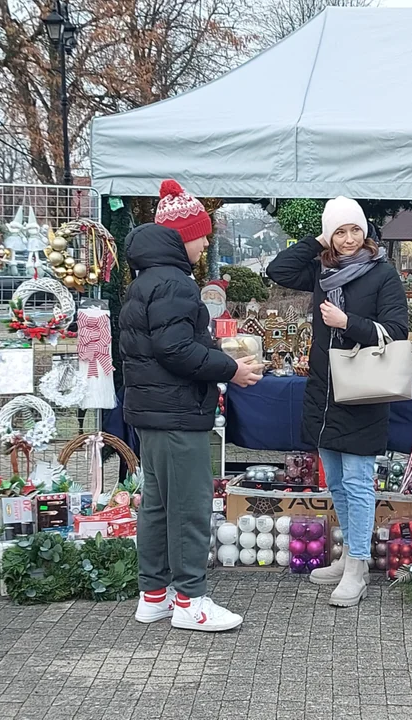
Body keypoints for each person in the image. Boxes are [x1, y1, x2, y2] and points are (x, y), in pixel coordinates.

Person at [120, 179, 263, 632]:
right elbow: (176, 351)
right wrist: (229, 368)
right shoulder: (176, 285)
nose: (206, 243)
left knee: (159, 506)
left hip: (153, 412)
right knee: (189, 509)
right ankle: (190, 601)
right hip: (177, 412)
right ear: (184, 236)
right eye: (203, 234)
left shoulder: (146, 280)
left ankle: (155, 595)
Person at [267, 197, 408, 607]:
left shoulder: (383, 274)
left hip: (363, 391)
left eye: (355, 230)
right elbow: (278, 269)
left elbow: (397, 330)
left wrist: (349, 324)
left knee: (360, 483)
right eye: (340, 232)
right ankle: (348, 554)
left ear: (367, 233)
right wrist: (318, 238)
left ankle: (359, 567)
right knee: (337, 485)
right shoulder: (322, 269)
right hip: (324, 391)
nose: (348, 240)